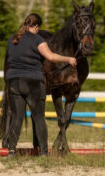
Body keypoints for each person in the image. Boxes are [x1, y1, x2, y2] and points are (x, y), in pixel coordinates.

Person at [4, 13, 76, 156]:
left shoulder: (12, 39)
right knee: (38, 118)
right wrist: (69, 59)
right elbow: (51, 56)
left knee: (17, 118)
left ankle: (11, 151)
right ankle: (43, 152)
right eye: (38, 27)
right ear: (36, 27)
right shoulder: (38, 40)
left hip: (13, 82)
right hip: (33, 84)